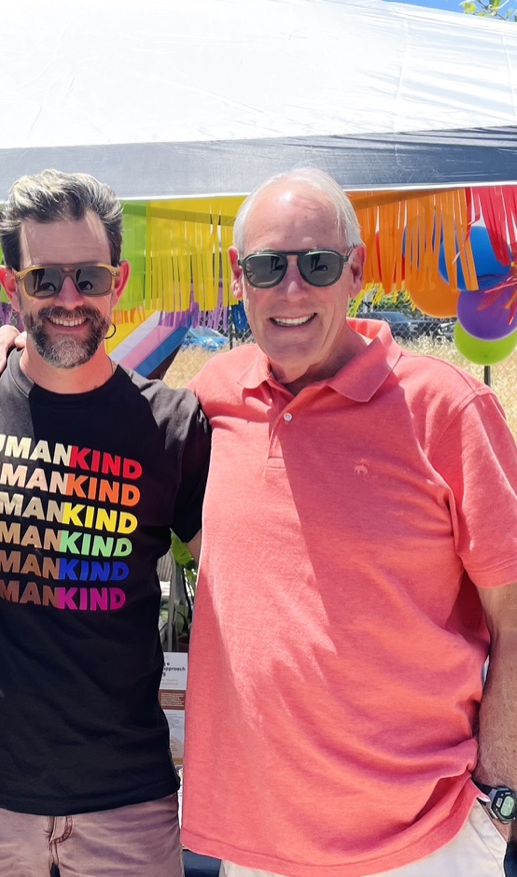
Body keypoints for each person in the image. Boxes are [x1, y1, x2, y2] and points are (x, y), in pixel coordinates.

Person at [181, 167, 517, 877]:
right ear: (240, 277)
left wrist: (500, 798)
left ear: (355, 271)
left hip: (428, 845)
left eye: (318, 264)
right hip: (261, 849)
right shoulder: (215, 398)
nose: (292, 289)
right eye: (270, 266)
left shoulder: (446, 410)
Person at [0, 169, 211, 877]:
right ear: (12, 286)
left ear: (119, 281)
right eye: (45, 279)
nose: (69, 299)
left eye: (89, 277)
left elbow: (247, 568)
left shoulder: (175, 424)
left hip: (127, 799)